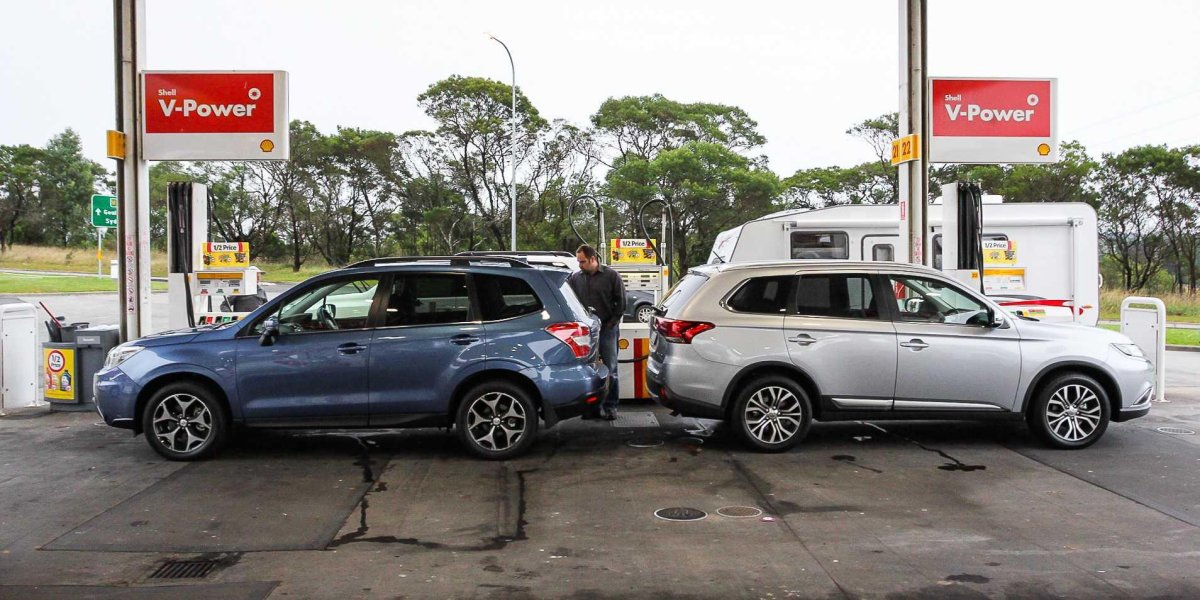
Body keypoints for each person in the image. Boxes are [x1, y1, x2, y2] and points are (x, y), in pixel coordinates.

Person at [567, 244, 626, 420]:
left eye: (582, 261)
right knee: (587, 370)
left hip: (607, 328)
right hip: (585, 332)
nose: (579, 265)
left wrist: (610, 324)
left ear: (593, 259)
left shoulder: (611, 276)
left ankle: (611, 406)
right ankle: (591, 407)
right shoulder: (576, 278)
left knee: (611, 368)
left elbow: (621, 302)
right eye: (578, 261)